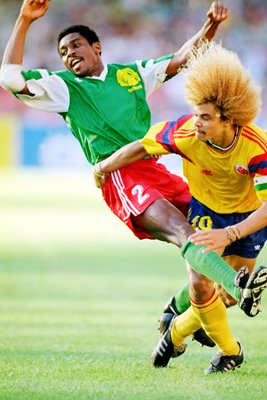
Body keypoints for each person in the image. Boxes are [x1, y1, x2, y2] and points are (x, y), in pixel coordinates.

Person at [1, 0, 266, 374]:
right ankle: (241, 291)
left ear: (97, 48)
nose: (69, 54)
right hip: (122, 176)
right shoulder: (63, 87)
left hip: (155, 168)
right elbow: (9, 77)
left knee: (216, 229)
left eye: (76, 46)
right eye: (63, 52)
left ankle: (178, 312)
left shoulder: (130, 74)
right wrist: (25, 19)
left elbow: (181, 60)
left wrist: (210, 26)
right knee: (185, 234)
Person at [92, 41, 267, 373]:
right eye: (196, 113)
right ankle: (231, 352)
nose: (196, 122)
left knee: (227, 297)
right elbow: (140, 148)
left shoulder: (257, 148)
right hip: (204, 210)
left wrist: (229, 233)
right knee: (202, 285)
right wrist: (103, 168)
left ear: (230, 120)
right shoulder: (186, 132)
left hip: (248, 218)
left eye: (206, 118)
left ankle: (176, 330)